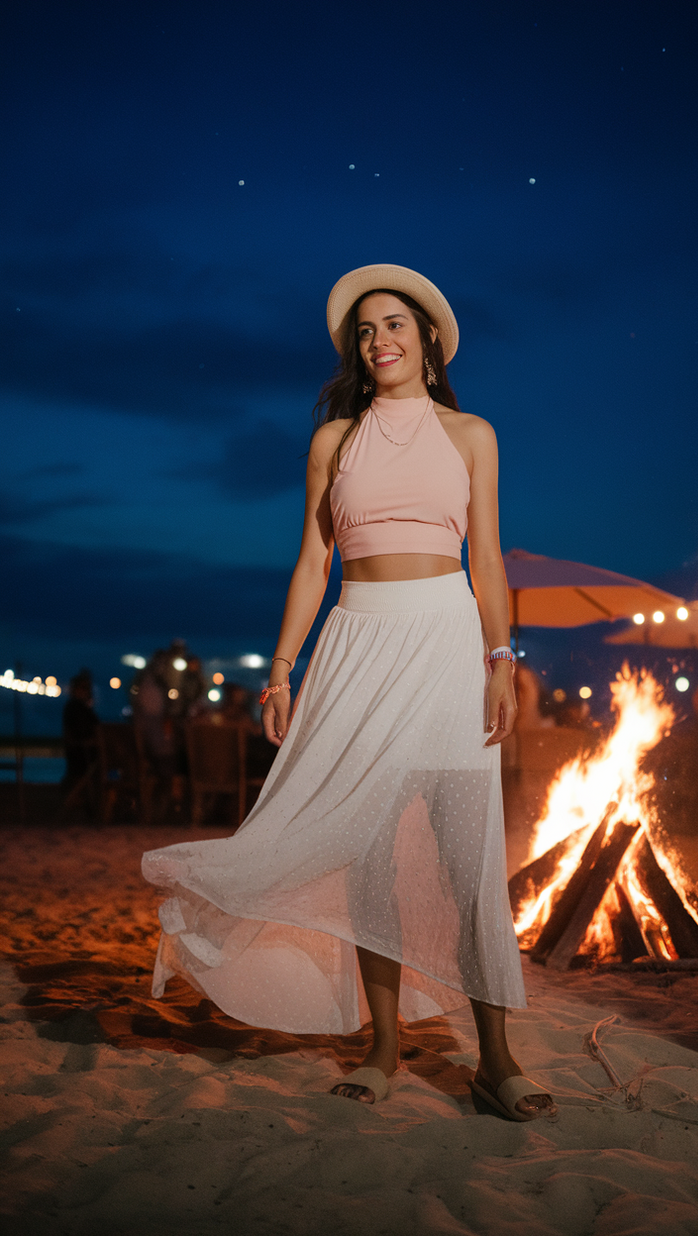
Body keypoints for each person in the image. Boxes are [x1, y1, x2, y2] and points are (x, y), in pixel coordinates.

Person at [142, 264, 555, 1122]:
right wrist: (284, 668)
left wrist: (501, 661)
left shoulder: (471, 433)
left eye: (395, 325)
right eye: (366, 331)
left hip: (445, 641)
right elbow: (311, 564)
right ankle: (384, 1045)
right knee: (365, 851)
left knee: (462, 853)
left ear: (429, 341)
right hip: (355, 643)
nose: (380, 342)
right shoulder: (333, 442)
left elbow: (488, 560)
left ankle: (497, 1058)